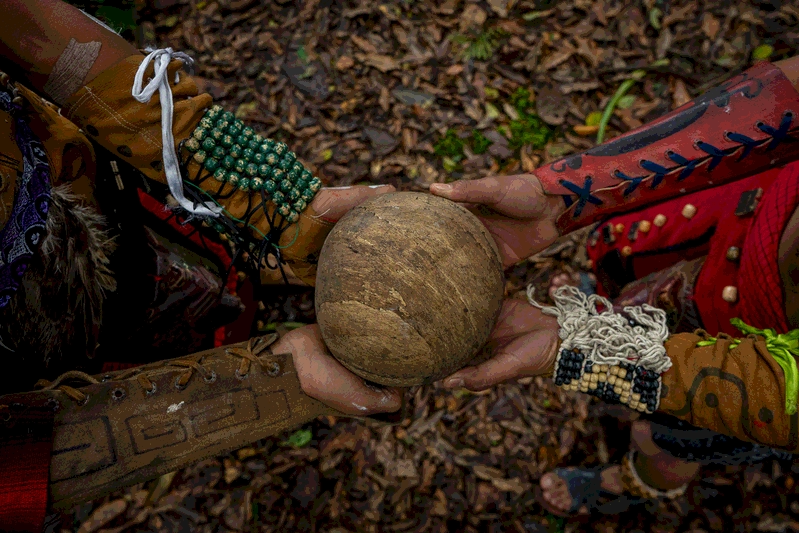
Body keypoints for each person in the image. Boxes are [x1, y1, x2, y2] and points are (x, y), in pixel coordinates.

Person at [0, 1, 404, 531]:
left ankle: (237, 300)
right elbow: (16, 477)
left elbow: (37, 35)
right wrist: (264, 385)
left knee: (175, 277)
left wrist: (276, 200)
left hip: (69, 192)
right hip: (23, 360)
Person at [429, 55, 799, 516]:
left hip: (751, 343)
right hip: (756, 203)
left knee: (663, 441)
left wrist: (578, 346)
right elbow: (789, 95)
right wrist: (562, 195)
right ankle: (607, 303)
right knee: (629, 266)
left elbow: (785, 401)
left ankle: (625, 484)